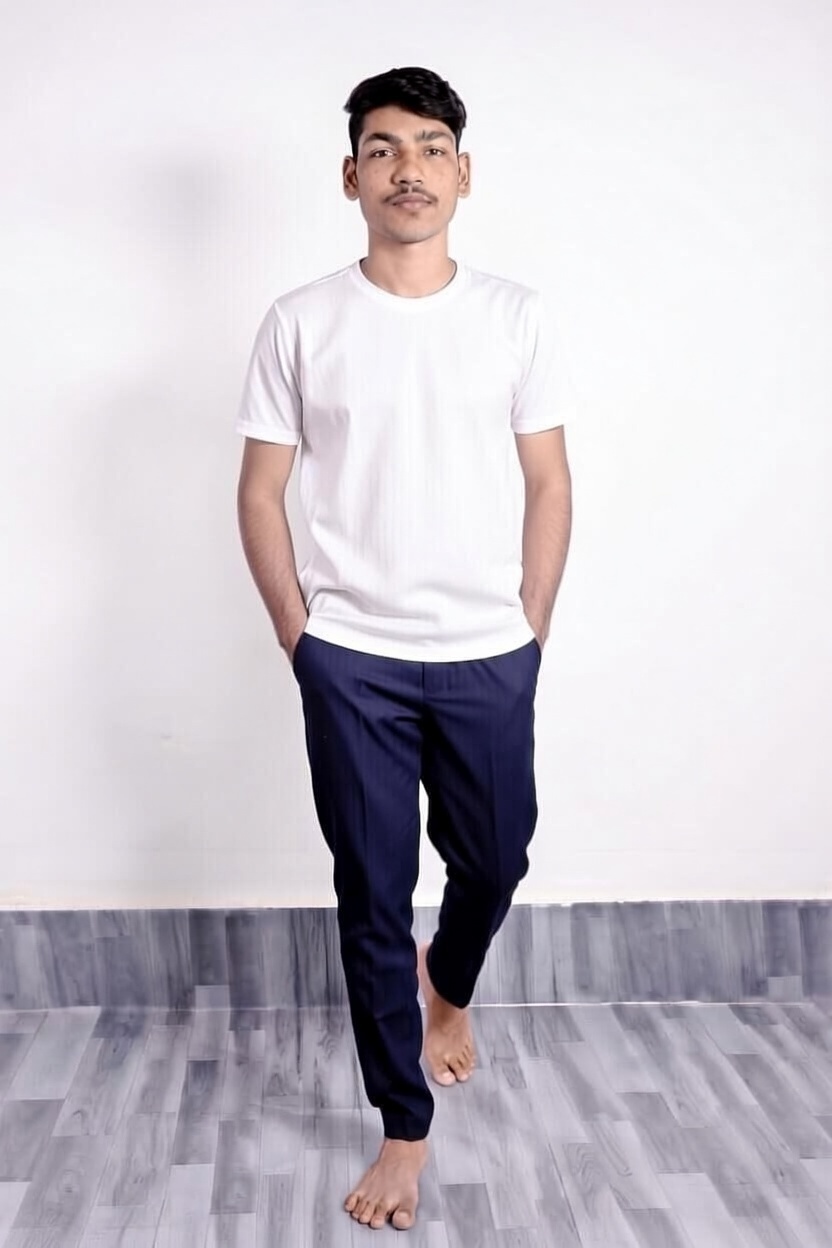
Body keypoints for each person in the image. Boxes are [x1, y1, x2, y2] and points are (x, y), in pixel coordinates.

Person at [235, 65, 574, 1232]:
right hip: (352, 658)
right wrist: (302, 637)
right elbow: (261, 492)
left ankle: (452, 986)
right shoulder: (300, 321)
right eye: (382, 149)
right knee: (372, 894)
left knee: (496, 858)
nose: (408, 169)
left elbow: (549, 480)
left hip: (487, 649)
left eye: (430, 148)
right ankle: (403, 1128)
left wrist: (530, 623)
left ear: (463, 174)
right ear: (351, 177)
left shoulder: (515, 316)